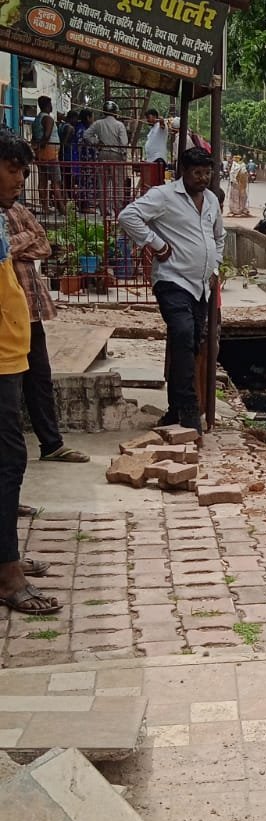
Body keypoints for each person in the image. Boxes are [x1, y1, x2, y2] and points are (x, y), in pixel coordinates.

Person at [117, 147, 224, 437]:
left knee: (190, 343)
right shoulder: (164, 196)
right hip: (172, 279)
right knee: (183, 333)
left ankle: (175, 410)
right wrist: (156, 244)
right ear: (183, 172)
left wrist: (215, 266)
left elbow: (219, 237)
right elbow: (128, 216)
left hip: (201, 286)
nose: (202, 178)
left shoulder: (211, 200)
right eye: (197, 173)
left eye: (207, 173)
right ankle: (189, 412)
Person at [0, 130, 61, 615]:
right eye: (12, 170)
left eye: (23, 171)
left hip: (11, 351)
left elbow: (41, 245)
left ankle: (7, 557)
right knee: (8, 461)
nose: (20, 180)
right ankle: (7, 575)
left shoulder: (6, 217)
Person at [6, 199, 89, 464]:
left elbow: (44, 246)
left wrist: (16, 245)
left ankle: (51, 444)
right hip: (6, 314)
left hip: (29, 310)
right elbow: (5, 248)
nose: (19, 182)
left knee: (39, 377)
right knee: (9, 387)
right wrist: (26, 237)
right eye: (14, 177)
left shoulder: (17, 208)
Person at [83, 99, 129, 215]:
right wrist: (123, 155)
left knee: (102, 184)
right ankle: (118, 210)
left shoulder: (98, 123)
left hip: (102, 154)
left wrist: (96, 142)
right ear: (115, 112)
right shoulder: (119, 125)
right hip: (116, 156)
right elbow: (124, 143)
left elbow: (86, 135)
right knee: (118, 184)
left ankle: (104, 210)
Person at [30, 95, 65, 217]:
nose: (51, 107)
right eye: (50, 105)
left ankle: (45, 207)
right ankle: (62, 208)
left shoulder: (37, 119)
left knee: (43, 179)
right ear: (47, 106)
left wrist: (37, 149)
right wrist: (43, 146)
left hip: (41, 153)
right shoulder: (47, 119)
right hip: (49, 152)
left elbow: (35, 137)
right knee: (56, 181)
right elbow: (47, 135)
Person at [227, 153, 250, 217]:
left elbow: (244, 172)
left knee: (243, 196)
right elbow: (232, 173)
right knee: (235, 196)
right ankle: (235, 210)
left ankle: (242, 208)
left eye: (237, 158)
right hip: (235, 183)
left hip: (241, 183)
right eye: (235, 157)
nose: (236, 159)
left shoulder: (242, 165)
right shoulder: (234, 164)